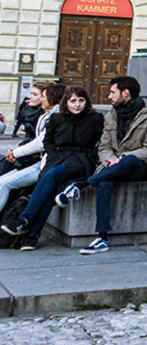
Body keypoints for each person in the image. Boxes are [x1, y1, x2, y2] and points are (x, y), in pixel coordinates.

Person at [55, 76, 147, 255]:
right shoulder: (112, 115)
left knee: (129, 161)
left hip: (141, 165)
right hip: (113, 163)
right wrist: (111, 159)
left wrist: (121, 158)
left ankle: (81, 185)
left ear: (125, 93)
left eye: (113, 92)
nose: (109, 96)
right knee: (105, 183)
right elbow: (104, 146)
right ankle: (102, 238)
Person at [3, 87, 103, 249]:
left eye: (81, 100)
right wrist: (52, 155)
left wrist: (92, 157)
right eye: (73, 101)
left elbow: (100, 143)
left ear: (86, 102)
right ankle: (32, 236)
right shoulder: (57, 118)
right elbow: (47, 142)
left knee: (52, 173)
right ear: (66, 102)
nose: (77, 105)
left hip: (81, 159)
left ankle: (25, 219)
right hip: (58, 157)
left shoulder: (95, 118)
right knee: (51, 187)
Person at [0, 82, 64, 214]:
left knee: (4, 184)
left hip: (43, 163)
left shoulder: (54, 116)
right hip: (36, 160)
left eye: (42, 96)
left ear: (51, 98)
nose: (40, 99)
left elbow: (40, 143)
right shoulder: (46, 114)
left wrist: (16, 153)